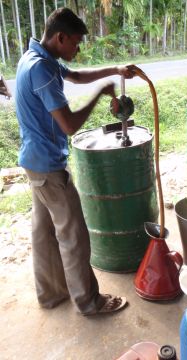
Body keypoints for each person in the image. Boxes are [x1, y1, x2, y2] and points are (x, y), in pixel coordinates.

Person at [15, 7, 135, 315]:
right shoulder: (41, 69)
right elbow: (69, 125)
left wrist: (115, 71)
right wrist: (99, 95)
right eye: (76, 43)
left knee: (44, 234)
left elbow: (77, 75)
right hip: (49, 167)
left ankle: (52, 294)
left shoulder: (36, 59)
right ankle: (89, 302)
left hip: (35, 162)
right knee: (74, 236)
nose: (78, 49)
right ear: (60, 37)